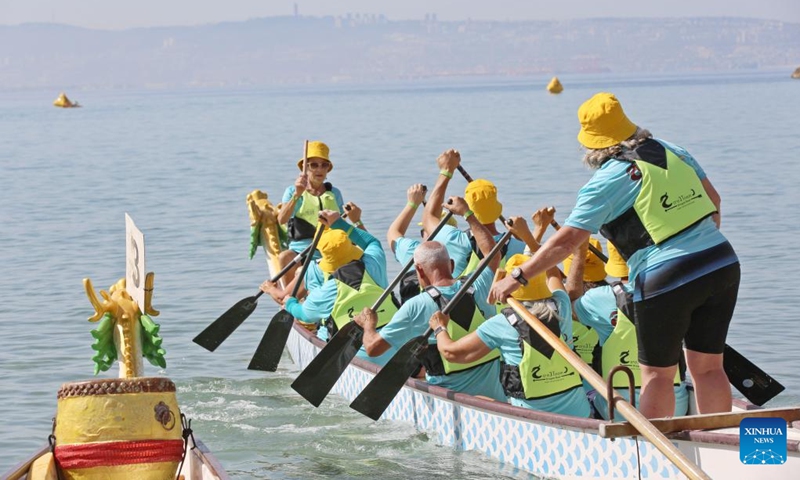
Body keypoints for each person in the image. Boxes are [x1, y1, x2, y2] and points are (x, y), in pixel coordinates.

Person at [489, 92, 740, 418]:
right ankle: (716, 439)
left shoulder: (608, 179)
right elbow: (714, 201)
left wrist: (519, 276)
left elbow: (567, 241)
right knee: (707, 367)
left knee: (657, 376)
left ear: (592, 147)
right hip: (721, 262)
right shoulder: (672, 149)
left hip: (666, 277)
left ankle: (654, 458)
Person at [354, 196, 507, 401]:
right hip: (496, 396)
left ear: (419, 270)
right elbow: (492, 253)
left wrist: (369, 326)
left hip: (449, 400)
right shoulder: (478, 285)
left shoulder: (416, 306)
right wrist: (468, 214)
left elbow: (373, 348)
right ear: (451, 265)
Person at [429, 254, 590, 417]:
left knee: (476, 399)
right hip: (580, 413)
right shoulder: (562, 304)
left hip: (532, 420)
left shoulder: (500, 324)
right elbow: (553, 273)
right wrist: (532, 244)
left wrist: (439, 328)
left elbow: (451, 353)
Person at [260, 210, 397, 365]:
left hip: (357, 354)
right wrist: (339, 223)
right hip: (395, 344)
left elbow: (305, 315)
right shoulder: (374, 262)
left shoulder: (328, 290)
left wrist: (290, 303)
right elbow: (372, 242)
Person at [571, 240, 689, 419]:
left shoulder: (600, 297)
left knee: (587, 391)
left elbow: (569, 304)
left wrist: (579, 255)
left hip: (622, 411)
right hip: (675, 408)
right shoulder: (677, 292)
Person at [422, 150, 526, 279]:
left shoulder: (454, 239)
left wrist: (446, 171)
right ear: (497, 209)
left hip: (465, 298)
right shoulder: (519, 246)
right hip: (501, 299)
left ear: (465, 207)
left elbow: (428, 217)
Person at [277, 141, 359, 283]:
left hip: (329, 251)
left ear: (328, 169)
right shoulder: (292, 191)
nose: (319, 169)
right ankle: (290, 299)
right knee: (284, 257)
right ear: (305, 168)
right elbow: (282, 219)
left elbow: (342, 224)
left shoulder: (334, 193)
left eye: (324, 165)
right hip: (301, 252)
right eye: (314, 165)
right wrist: (297, 195)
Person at [387, 183, 457, 304]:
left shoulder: (415, 253)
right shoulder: (464, 252)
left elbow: (393, 233)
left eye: (424, 230)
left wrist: (412, 204)